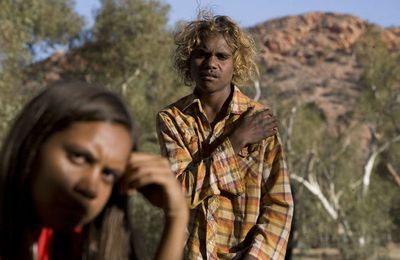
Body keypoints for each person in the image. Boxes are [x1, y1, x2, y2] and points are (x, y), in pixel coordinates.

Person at [0, 81, 188, 260]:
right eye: (79, 157)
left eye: (108, 174)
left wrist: (177, 215)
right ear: (33, 144)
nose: (91, 188)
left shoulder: (72, 242)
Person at [157, 14, 293, 259]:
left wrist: (256, 257)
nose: (211, 63)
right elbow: (178, 195)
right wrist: (235, 142)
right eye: (201, 54)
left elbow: (279, 203)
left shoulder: (259, 120)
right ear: (188, 61)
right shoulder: (172, 120)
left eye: (222, 56)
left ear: (236, 64)